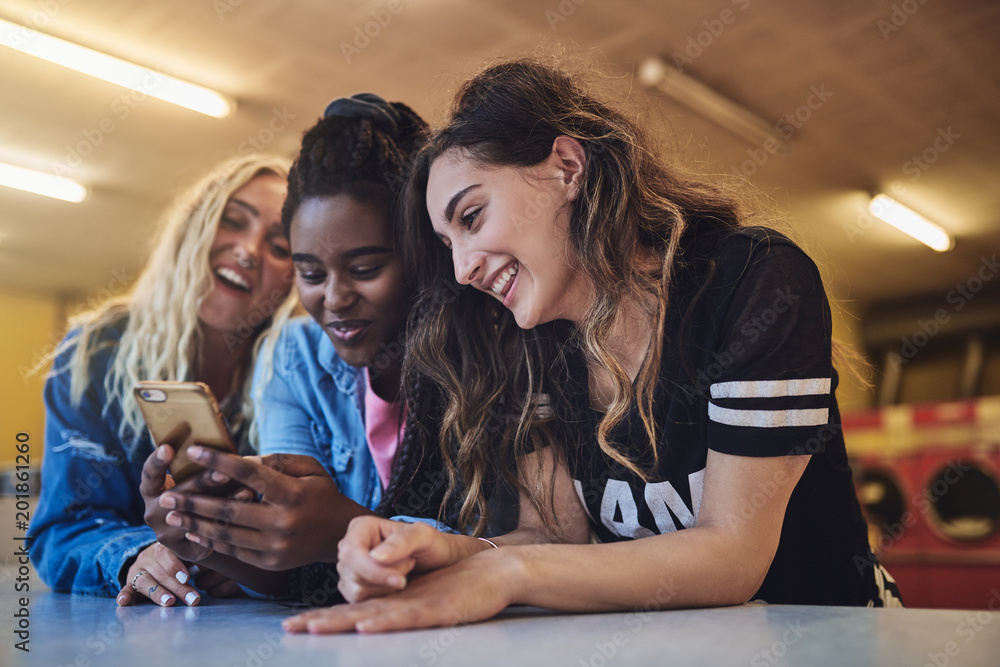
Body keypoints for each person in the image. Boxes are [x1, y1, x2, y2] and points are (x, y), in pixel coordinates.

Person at [282, 58, 903, 635]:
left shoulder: (751, 283)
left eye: (470, 218)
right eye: (447, 246)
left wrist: (507, 574)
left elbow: (733, 553)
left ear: (567, 168)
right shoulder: (531, 340)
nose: (464, 268)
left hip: (827, 641)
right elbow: (557, 539)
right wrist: (446, 551)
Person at [138, 94, 468, 602]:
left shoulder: (482, 355)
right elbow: (288, 566)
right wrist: (208, 536)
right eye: (310, 274)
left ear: (423, 251)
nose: (334, 299)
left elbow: (510, 548)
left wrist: (344, 528)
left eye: (365, 269)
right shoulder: (293, 357)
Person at [28, 155, 296, 606]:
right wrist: (135, 555)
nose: (249, 250)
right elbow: (63, 527)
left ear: (296, 278)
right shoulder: (94, 354)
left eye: (281, 245)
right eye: (232, 221)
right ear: (193, 230)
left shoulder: (300, 375)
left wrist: (251, 564)